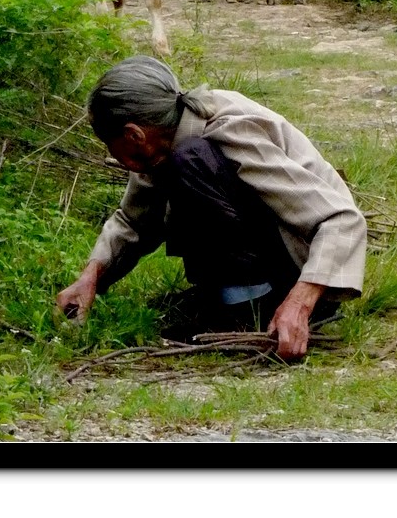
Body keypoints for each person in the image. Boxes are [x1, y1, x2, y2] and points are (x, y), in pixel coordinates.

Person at [56, 57, 367, 360]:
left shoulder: (223, 132)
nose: (117, 157)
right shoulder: (164, 137)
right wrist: (92, 276)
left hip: (305, 280)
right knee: (186, 164)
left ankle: (250, 309)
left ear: (133, 134)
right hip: (284, 266)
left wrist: (300, 303)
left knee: (191, 161)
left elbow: (341, 219)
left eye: (110, 145)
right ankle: (231, 300)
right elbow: (134, 220)